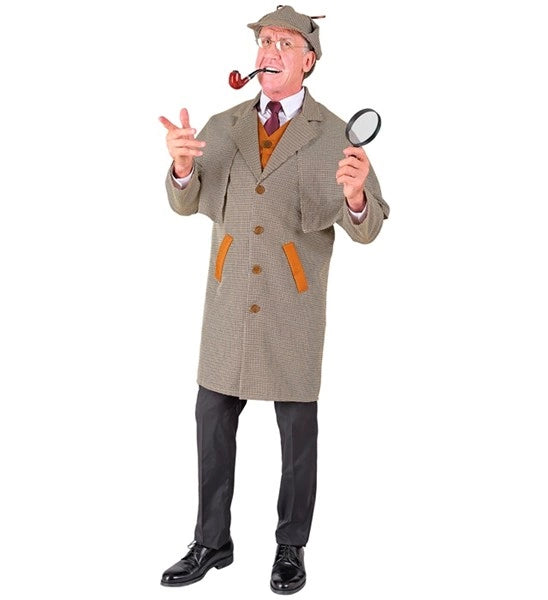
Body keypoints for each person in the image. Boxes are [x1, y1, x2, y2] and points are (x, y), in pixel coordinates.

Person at [158, 5, 389, 595]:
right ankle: (212, 541)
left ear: (309, 61)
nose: (270, 51)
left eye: (285, 43)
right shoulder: (224, 124)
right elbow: (186, 203)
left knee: (297, 434)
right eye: (265, 41)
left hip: (293, 308)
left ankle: (291, 546)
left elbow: (369, 227)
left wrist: (357, 197)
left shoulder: (336, 135)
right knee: (211, 419)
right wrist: (181, 169)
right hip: (228, 301)